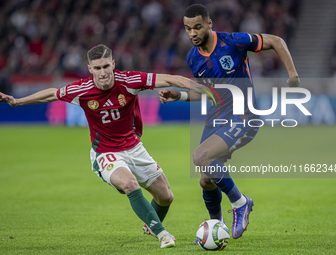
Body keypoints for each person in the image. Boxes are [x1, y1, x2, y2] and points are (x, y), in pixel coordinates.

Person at [0, 44, 199, 249]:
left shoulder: (129, 81)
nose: (103, 73)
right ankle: (162, 234)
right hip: (105, 152)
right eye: (97, 68)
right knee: (130, 183)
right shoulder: (82, 90)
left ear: (113, 64)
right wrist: (17, 101)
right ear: (90, 69)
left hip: (134, 147)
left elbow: (168, 78)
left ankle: (150, 224)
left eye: (106, 66)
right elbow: (52, 94)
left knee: (166, 197)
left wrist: (201, 88)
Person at [159, 4, 300, 241]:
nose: (192, 33)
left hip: (244, 116)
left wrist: (292, 74)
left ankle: (240, 203)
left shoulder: (233, 42)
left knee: (200, 156)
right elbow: (208, 92)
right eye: (187, 29)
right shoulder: (193, 57)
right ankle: (217, 226)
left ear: (209, 23)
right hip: (216, 119)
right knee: (206, 180)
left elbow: (276, 41)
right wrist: (180, 95)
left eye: (197, 27)